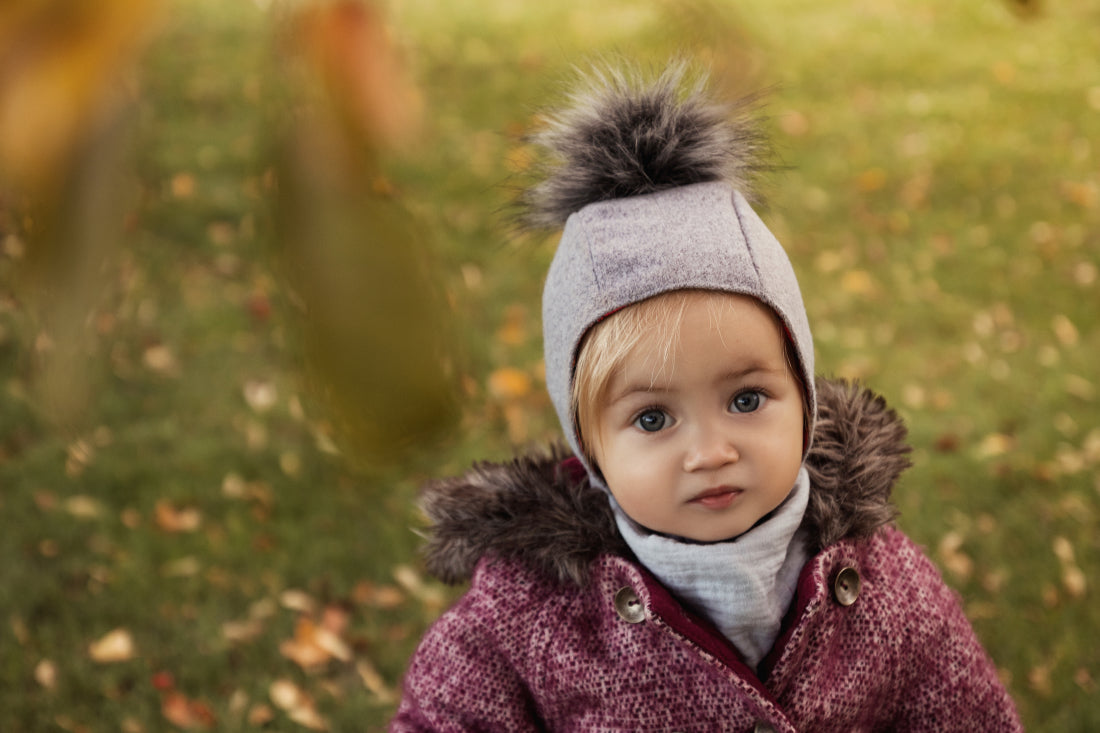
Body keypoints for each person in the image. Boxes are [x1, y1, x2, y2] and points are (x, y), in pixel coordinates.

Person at [390, 62, 1021, 732]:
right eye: (654, 417)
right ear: (591, 447)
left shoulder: (881, 583)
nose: (711, 451)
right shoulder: (531, 611)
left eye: (747, 399)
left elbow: (969, 714)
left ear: (804, 398)